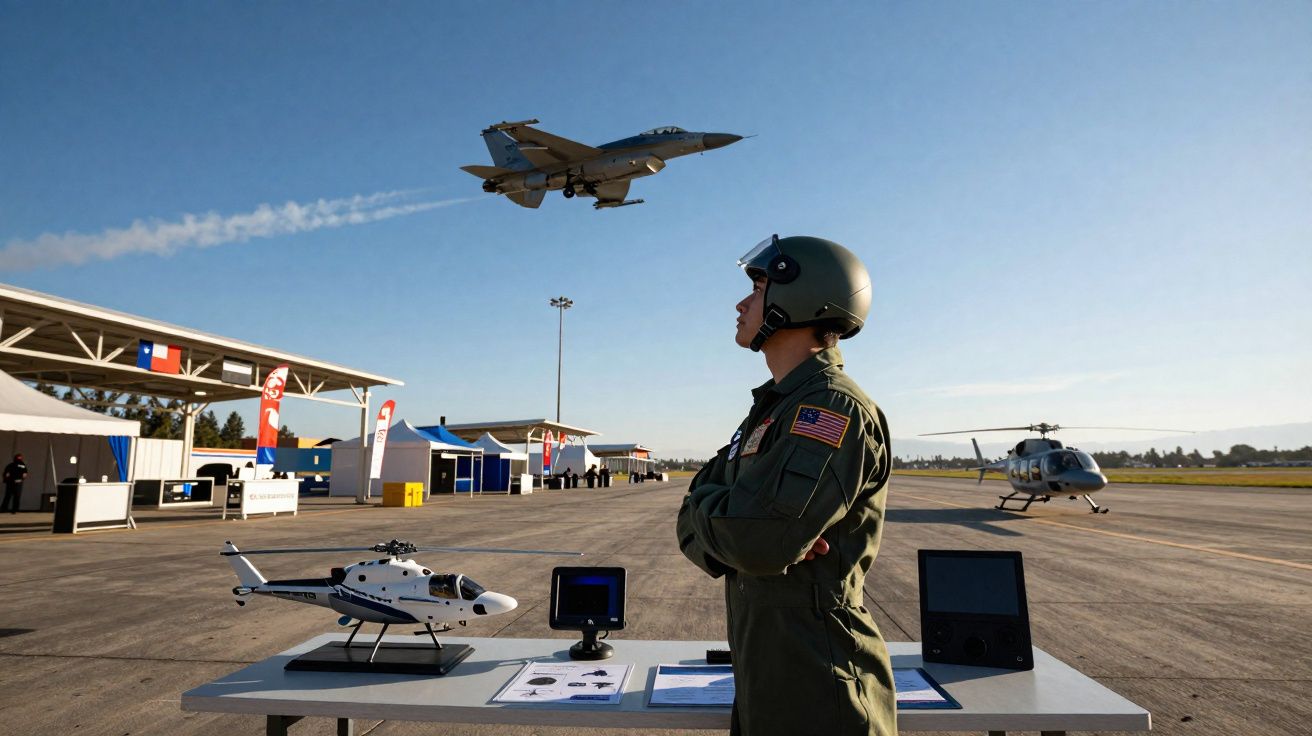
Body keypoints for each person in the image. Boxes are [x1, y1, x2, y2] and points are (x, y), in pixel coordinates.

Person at [676, 235, 895, 736]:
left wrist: (734, 521)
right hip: (769, 676)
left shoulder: (831, 409)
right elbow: (701, 512)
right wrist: (721, 515)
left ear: (798, 299)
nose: (742, 303)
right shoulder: (775, 410)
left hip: (820, 686)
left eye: (757, 288)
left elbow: (756, 539)